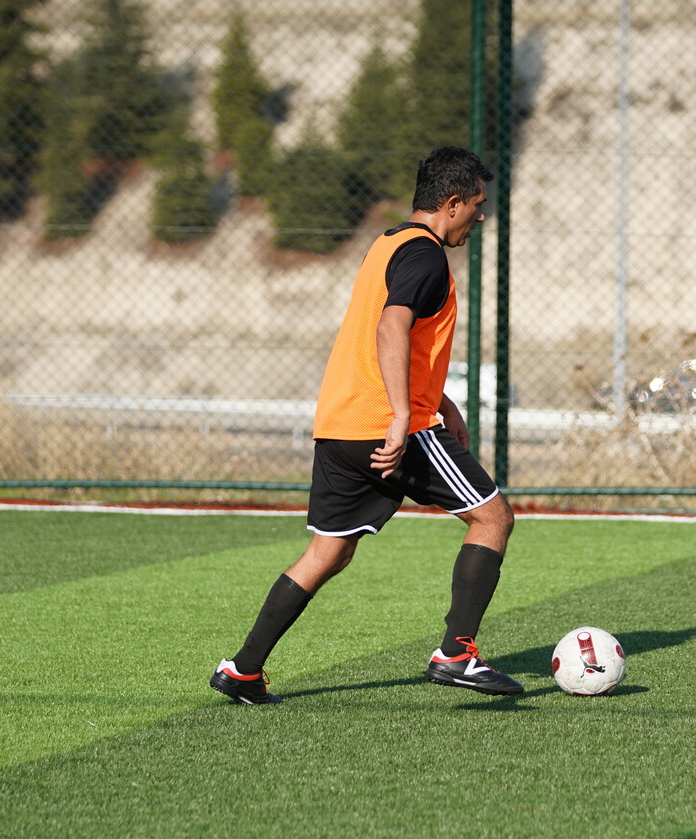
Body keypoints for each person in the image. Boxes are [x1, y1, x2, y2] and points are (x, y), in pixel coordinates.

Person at [210, 147, 523, 704]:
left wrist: (442, 400)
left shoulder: (387, 244)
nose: (480, 217)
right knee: (493, 517)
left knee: (329, 552)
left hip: (341, 424)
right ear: (452, 203)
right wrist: (405, 415)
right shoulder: (427, 256)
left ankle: (243, 670)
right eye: (477, 205)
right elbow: (390, 328)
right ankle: (457, 653)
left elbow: (396, 342)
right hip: (390, 428)